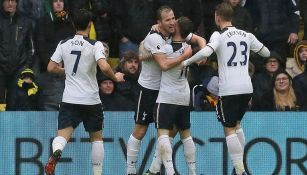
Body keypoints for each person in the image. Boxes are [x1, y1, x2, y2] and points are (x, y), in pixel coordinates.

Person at [182, 3, 270, 175]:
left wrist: (186, 62)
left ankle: (240, 170)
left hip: (229, 89)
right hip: (246, 87)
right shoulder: (247, 35)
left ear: (217, 17)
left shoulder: (218, 35)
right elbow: (266, 53)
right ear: (232, 17)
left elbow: (206, 52)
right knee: (237, 124)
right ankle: (240, 167)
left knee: (228, 127)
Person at [126, 5, 205, 175]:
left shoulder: (176, 32)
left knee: (171, 129)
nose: (172, 22)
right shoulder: (154, 37)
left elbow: (200, 40)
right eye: (167, 19)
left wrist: (203, 55)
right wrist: (186, 57)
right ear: (159, 23)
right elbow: (160, 63)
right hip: (149, 88)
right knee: (141, 129)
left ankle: (154, 169)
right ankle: (130, 170)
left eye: (173, 18)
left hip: (167, 90)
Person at [44, 9, 124, 175]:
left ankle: (57, 151)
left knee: (62, 136)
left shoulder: (63, 43)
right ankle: (97, 173)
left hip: (69, 99)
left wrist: (65, 71)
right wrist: (115, 78)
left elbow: (51, 67)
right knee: (96, 139)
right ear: (90, 25)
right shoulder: (95, 45)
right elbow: (104, 66)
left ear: (73, 25)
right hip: (91, 100)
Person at [152, 16, 200, 175]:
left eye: (175, 22)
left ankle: (171, 172)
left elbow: (159, 62)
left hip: (168, 95)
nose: (172, 24)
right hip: (184, 95)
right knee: (186, 134)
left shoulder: (166, 47)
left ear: (178, 28)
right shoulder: (187, 47)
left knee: (163, 134)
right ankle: (192, 172)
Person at [35, 0, 74, 111]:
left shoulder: (71, 22)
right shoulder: (43, 21)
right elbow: (40, 45)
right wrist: (53, 62)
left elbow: (74, 44)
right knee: (49, 102)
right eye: (55, 1)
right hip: (48, 68)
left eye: (61, 1)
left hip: (67, 69)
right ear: (50, 4)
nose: (58, 3)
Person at [0, 0, 34, 111]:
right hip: (0, 70)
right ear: (2, 3)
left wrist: (26, 68)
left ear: (17, 3)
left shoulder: (25, 21)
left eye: (13, 1)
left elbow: (31, 48)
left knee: (14, 106)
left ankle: (11, 129)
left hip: (18, 70)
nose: (10, 3)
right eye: (7, 1)